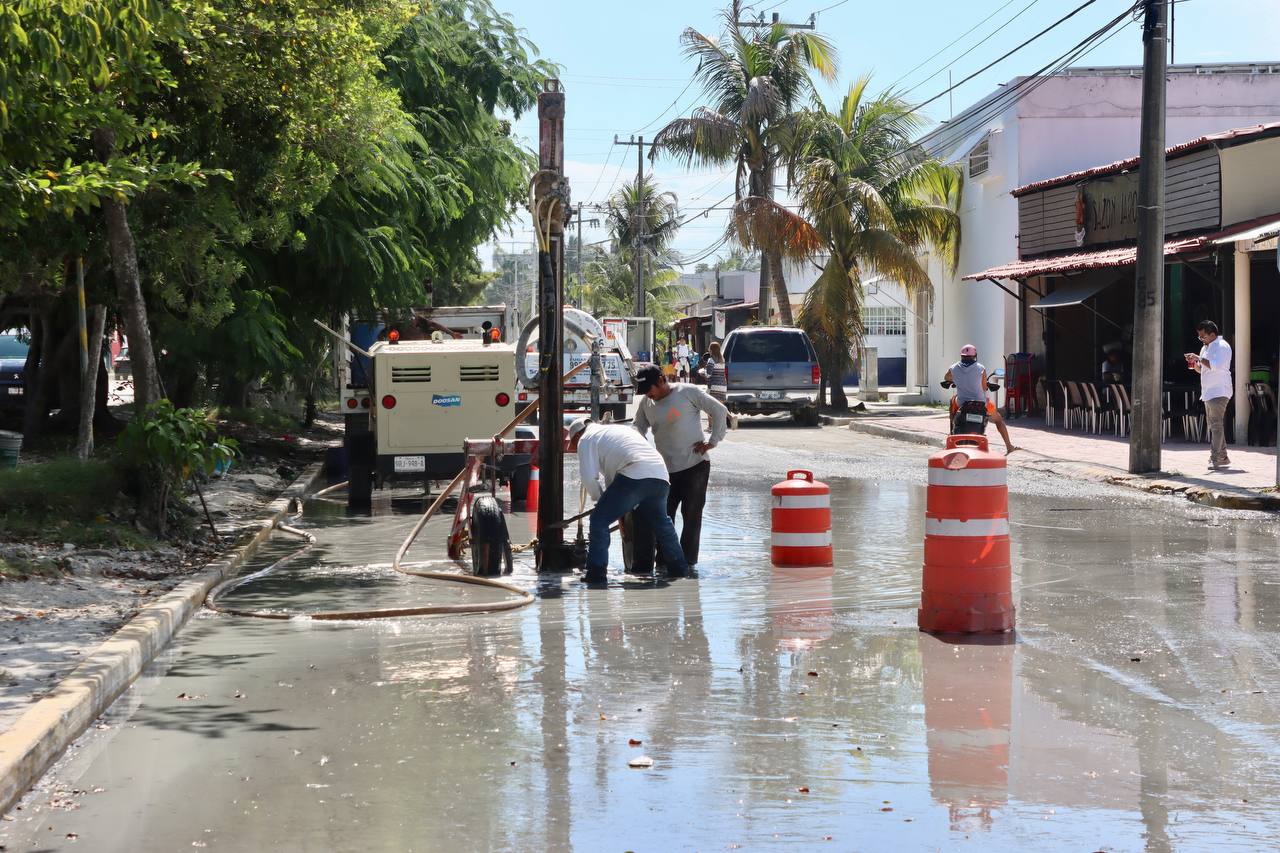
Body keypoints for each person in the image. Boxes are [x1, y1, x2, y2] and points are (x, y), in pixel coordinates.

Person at [630, 363, 730, 573]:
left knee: (691, 515)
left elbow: (720, 410)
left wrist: (713, 441)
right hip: (664, 471)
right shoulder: (647, 403)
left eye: (650, 389)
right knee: (663, 516)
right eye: (644, 392)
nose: (648, 395)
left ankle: (688, 563)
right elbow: (638, 426)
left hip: (695, 466)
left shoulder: (688, 392)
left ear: (661, 380)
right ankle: (665, 561)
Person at [567, 417, 691, 584]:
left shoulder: (586, 439)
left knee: (598, 521)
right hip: (660, 475)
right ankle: (680, 570)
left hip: (634, 473)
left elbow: (589, 478)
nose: (574, 448)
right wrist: (613, 506)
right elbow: (615, 478)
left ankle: (596, 575)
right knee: (662, 524)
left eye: (573, 444)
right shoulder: (617, 431)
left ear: (576, 435)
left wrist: (600, 503)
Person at [944, 344, 1020, 455]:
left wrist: (956, 379)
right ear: (975, 356)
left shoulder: (954, 368)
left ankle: (952, 432)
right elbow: (984, 387)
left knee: (952, 401)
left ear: (962, 356)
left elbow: (947, 377)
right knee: (998, 420)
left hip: (962, 403)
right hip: (982, 403)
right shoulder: (981, 368)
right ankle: (1009, 446)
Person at [1185, 320, 1233, 469]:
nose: (1201, 340)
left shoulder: (1222, 346)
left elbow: (1215, 365)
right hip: (1208, 392)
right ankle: (1223, 456)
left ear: (1212, 334)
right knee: (1213, 425)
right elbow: (1202, 369)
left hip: (1219, 390)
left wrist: (1198, 358)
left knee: (1216, 424)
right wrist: (1194, 362)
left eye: (1203, 337)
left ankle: (1215, 458)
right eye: (1199, 337)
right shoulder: (1205, 348)